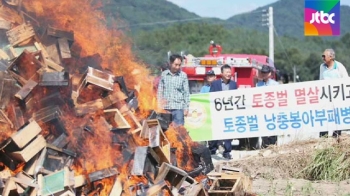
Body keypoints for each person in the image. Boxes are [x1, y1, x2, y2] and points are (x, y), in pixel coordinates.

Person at [209, 64, 237, 159]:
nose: (229, 74)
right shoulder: (215, 84)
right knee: (216, 130)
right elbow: (211, 96)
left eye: (230, 72)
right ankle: (213, 149)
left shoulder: (233, 84)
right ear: (222, 73)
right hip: (217, 112)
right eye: (227, 72)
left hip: (229, 112)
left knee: (229, 132)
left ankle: (227, 151)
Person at [319, 49, 349, 137]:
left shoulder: (339, 66)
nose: (323, 58)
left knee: (337, 116)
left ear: (331, 57)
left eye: (324, 56)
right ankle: (323, 136)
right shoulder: (322, 67)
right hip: (326, 96)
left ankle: (336, 136)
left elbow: (346, 80)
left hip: (338, 96)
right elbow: (321, 80)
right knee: (324, 116)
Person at [157, 54, 190, 126]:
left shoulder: (183, 75)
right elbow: (160, 91)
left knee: (179, 131)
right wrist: (159, 105)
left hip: (178, 109)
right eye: (175, 65)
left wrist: (186, 108)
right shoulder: (164, 75)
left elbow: (186, 93)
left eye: (179, 65)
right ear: (170, 63)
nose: (177, 67)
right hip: (166, 108)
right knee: (166, 130)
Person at [255, 65, 279, 148]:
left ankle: (273, 147)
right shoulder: (258, 85)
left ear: (270, 73)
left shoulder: (275, 84)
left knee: (273, 132)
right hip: (263, 111)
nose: (264, 74)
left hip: (273, 111)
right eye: (263, 72)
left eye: (266, 72)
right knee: (264, 132)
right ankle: (265, 148)